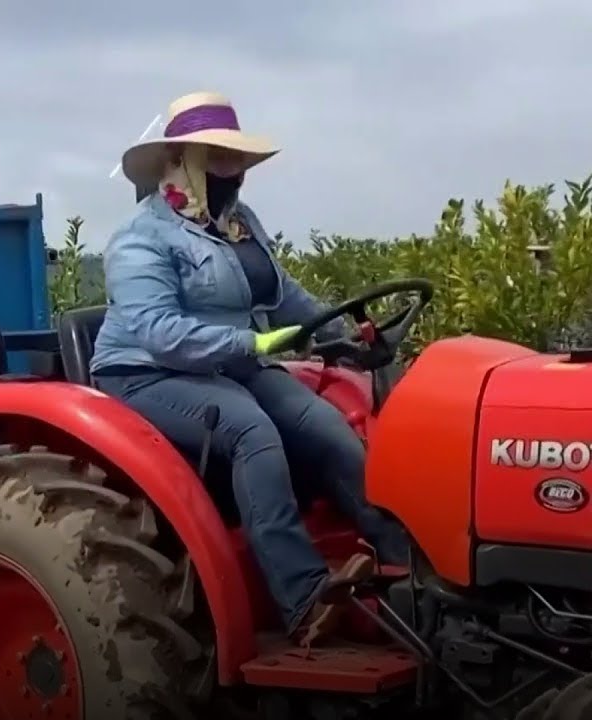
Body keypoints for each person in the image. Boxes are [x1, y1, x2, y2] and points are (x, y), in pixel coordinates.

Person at [90, 91, 410, 646]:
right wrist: (251, 341)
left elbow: (286, 297)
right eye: (218, 157)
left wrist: (350, 337)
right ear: (183, 161)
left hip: (234, 360)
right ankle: (304, 596)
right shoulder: (141, 238)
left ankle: (408, 567)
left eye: (237, 158)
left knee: (329, 427)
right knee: (251, 430)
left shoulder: (240, 224)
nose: (232, 171)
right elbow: (159, 334)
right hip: (147, 373)